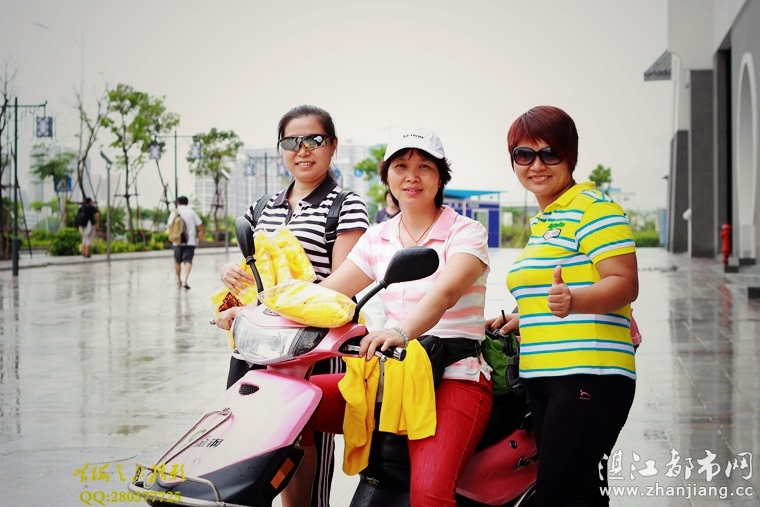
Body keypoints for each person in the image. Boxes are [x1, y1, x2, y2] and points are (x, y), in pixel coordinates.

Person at [275, 127, 493, 507]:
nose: (412, 177)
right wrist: (254, 307)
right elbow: (329, 291)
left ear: (440, 177)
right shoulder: (378, 237)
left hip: (454, 374)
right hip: (391, 372)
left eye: (424, 167)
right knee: (287, 405)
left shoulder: (466, 232)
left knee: (429, 495)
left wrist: (401, 331)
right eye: (401, 167)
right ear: (387, 177)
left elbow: (445, 292)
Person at [217, 104, 369, 507]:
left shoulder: (345, 205)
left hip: (313, 344)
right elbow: (253, 272)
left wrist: (281, 302)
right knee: (248, 438)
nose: (303, 150)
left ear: (332, 145)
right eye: (291, 142)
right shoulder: (261, 207)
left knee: (302, 438)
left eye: (314, 140)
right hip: (258, 343)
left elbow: (342, 288)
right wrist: (230, 274)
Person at [487, 105, 638, 506]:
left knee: (562, 495)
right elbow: (555, 295)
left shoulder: (593, 207)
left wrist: (574, 299)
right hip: (548, 377)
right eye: (524, 154)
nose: (536, 165)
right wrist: (520, 318)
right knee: (579, 495)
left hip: (588, 374)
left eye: (549, 153)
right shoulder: (547, 220)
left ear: (570, 155)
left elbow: (625, 283)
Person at [168, 196, 204, 289]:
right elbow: (200, 225)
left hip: (177, 242)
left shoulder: (174, 212)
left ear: (178, 203)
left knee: (177, 262)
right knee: (188, 261)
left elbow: (169, 225)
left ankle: (179, 280)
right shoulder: (192, 212)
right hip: (190, 241)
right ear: (187, 203)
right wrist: (201, 233)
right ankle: (185, 280)